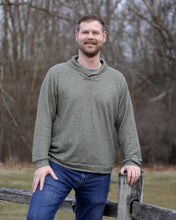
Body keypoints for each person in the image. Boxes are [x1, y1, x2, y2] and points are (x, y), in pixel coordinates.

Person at [27, 14, 142, 220]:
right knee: (37, 217)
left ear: (104, 36)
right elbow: (44, 120)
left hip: (98, 173)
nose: (90, 37)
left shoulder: (117, 80)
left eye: (95, 32)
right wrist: (41, 162)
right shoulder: (56, 74)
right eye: (85, 32)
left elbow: (125, 123)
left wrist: (132, 159)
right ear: (77, 36)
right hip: (57, 168)